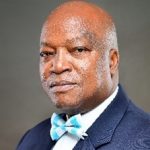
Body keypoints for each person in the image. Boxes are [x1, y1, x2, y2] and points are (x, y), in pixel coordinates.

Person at [17, 1, 150, 150]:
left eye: (78, 49)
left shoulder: (145, 140)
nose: (58, 66)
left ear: (111, 61)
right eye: (47, 53)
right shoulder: (31, 139)